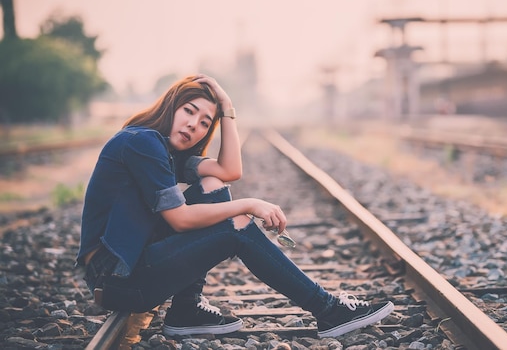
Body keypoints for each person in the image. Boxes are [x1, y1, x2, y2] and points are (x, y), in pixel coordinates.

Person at [76, 75, 394, 338]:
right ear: (171, 106)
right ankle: (327, 309)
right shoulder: (142, 142)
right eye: (188, 111)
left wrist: (227, 110)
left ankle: (186, 309)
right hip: (116, 278)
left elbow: (228, 172)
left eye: (204, 123)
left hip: (128, 269)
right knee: (238, 224)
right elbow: (182, 219)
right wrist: (250, 204)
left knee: (214, 187)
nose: (193, 126)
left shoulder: (165, 152)